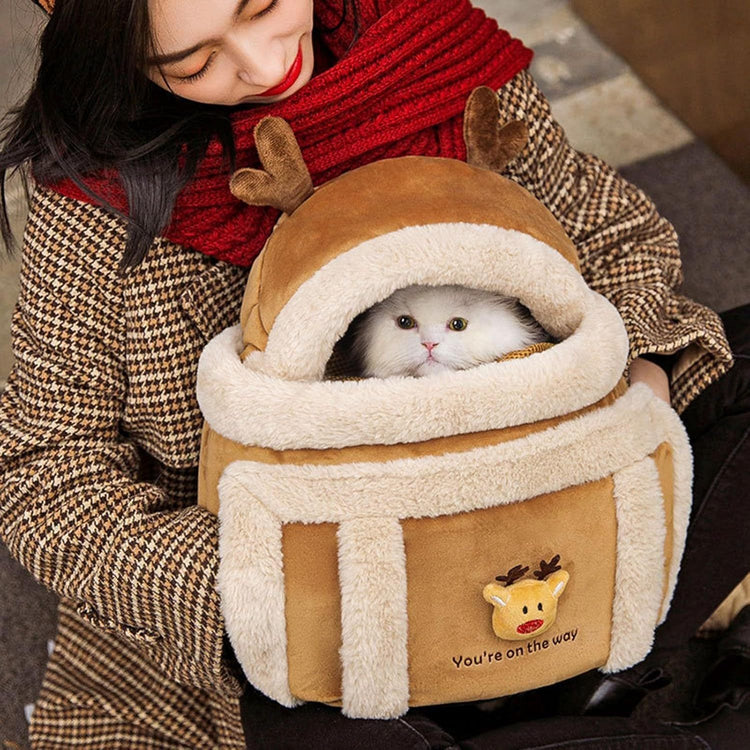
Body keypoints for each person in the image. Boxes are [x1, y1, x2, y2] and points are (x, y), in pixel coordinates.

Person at [0, 0, 746, 747]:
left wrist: (637, 376)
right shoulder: (95, 202)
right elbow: (44, 472)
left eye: (263, 6)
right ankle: (595, 702)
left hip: (550, 502)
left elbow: (611, 234)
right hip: (332, 601)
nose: (264, 65)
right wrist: (260, 580)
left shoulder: (439, 55)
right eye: (193, 64)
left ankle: (582, 675)